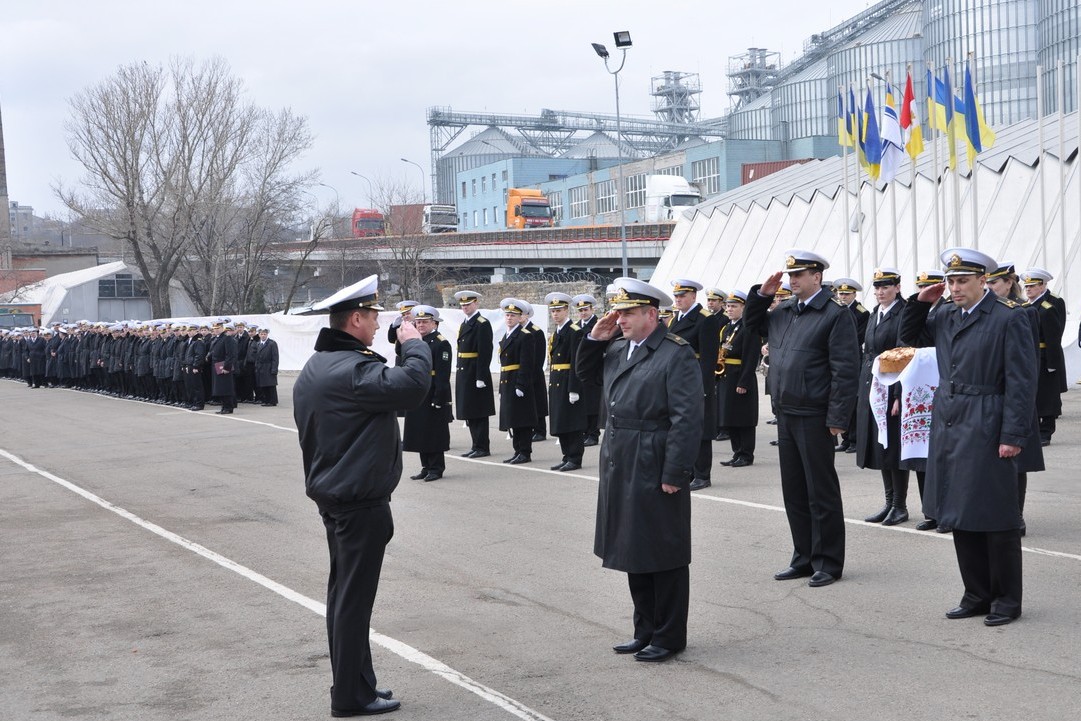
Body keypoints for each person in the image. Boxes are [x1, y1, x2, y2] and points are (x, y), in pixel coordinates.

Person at [293, 274, 431, 716]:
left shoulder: (321, 365)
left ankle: (359, 684)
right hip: (358, 502)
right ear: (355, 318)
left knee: (343, 596)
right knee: (352, 603)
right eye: (372, 316)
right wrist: (413, 343)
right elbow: (411, 386)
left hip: (337, 496)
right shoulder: (352, 369)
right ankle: (350, 697)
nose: (377, 324)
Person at [900, 248, 1035, 626]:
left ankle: (1006, 599)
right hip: (950, 419)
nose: (954, 288)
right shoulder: (945, 314)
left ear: (982, 282)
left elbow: (1022, 381)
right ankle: (976, 594)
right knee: (959, 510)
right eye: (950, 281)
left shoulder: (1009, 318)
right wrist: (917, 303)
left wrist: (1013, 434)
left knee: (995, 513)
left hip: (988, 418)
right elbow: (907, 340)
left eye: (962, 281)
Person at [576, 277, 703, 663]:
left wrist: (675, 473)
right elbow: (585, 374)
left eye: (628, 312)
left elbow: (687, 418)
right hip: (621, 456)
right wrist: (595, 338)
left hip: (654, 455)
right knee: (634, 546)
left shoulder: (675, 353)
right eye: (618, 312)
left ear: (651, 314)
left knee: (662, 550)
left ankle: (668, 635)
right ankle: (644, 629)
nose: (621, 318)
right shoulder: (617, 348)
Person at [743, 249, 859, 587]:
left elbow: (845, 370)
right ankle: (804, 557)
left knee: (820, 491)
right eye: (790, 275)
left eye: (800, 275)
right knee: (794, 490)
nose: (792, 280)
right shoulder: (784, 311)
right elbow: (752, 324)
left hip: (815, 413)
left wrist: (838, 417)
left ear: (817, 277)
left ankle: (828, 561)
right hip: (787, 410)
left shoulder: (835, 315)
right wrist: (762, 295)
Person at [856, 268, 912, 526]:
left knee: (894, 447)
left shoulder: (903, 312)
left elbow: (904, 355)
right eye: (877, 287)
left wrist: (900, 395)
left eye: (886, 286)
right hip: (873, 384)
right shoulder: (874, 314)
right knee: (881, 446)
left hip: (892, 386)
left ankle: (900, 505)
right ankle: (889, 502)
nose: (880, 291)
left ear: (897, 287)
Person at [902, 271, 950, 532]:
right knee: (925, 455)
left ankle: (948, 512)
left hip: (950, 391)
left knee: (947, 458)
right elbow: (907, 338)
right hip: (927, 392)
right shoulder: (930, 311)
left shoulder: (949, 309)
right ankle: (932, 510)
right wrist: (918, 302)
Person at [666, 279, 721, 491]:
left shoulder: (704, 319)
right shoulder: (674, 320)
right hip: (677, 378)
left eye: (682, 296)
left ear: (693, 296)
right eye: (676, 296)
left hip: (696, 379)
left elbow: (708, 358)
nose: (678, 300)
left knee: (701, 429)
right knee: (682, 428)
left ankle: (702, 474)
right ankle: (687, 471)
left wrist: (705, 388)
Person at [403, 306, 453, 482]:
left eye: (425, 322)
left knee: (433, 431)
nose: (421, 325)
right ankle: (425, 466)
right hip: (418, 391)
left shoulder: (441, 343)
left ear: (434, 323)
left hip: (432, 391)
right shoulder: (416, 342)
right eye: (418, 322)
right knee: (420, 430)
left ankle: (436, 467)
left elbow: (442, 374)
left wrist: (440, 397)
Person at [1020, 268, 1066, 446]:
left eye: (1032, 286)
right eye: (1027, 286)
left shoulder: (1047, 309)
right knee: (1034, 394)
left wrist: (1053, 364)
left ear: (1042, 287)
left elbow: (1054, 338)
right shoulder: (1026, 307)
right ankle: (1036, 430)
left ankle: (1046, 432)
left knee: (1047, 396)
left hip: (1045, 356)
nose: (1028, 289)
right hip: (1030, 355)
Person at [716, 290, 761, 468]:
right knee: (730, 417)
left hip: (740, 377)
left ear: (744, 308)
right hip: (726, 376)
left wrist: (744, 382)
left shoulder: (748, 328)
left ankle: (746, 454)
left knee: (744, 419)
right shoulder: (727, 328)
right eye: (728, 306)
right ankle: (737, 452)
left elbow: (751, 358)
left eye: (734, 306)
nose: (729, 309)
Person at [545, 292, 586, 471]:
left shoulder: (574, 332)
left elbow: (576, 362)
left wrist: (574, 388)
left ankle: (575, 457)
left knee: (572, 422)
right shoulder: (557, 333)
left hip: (568, 381)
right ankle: (566, 455)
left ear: (567, 310)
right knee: (560, 421)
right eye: (553, 311)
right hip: (556, 381)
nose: (555, 314)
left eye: (559, 310)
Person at [452, 290, 495, 458]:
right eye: (462, 305)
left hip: (475, 371)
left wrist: (481, 376)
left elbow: (485, 351)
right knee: (469, 410)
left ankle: (482, 446)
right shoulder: (465, 323)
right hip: (465, 371)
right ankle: (475, 444)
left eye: (468, 305)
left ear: (476, 303)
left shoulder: (481, 323)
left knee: (479, 411)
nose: (465, 308)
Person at [497, 298, 538, 464]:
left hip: (518, 381)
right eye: (507, 315)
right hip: (507, 380)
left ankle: (525, 452)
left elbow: (526, 363)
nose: (509, 318)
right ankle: (517, 450)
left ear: (520, 317)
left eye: (513, 315)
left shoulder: (524, 336)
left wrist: (521, 384)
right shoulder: (507, 335)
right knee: (513, 418)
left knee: (522, 419)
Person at [833, 278, 869, 453]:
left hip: (853, 359)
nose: (843, 296)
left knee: (853, 402)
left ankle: (855, 439)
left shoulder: (861, 313)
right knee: (841, 400)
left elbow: (858, 338)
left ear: (854, 294)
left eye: (847, 294)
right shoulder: (836, 310)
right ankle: (846, 439)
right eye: (841, 293)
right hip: (838, 359)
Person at [572, 294, 602, 446]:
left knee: (593, 402)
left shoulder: (599, 324)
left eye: (585, 309)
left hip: (594, 368)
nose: (583, 313)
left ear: (592, 309)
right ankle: (584, 432)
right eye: (580, 310)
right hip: (581, 368)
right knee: (582, 402)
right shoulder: (576, 326)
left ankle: (593, 433)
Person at [208, 321, 238, 414]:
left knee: (226, 387)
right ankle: (224, 406)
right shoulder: (217, 339)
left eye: (218, 328)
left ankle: (228, 407)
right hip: (216, 365)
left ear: (222, 328)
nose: (216, 330)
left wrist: (227, 367)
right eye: (214, 329)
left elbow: (230, 354)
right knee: (220, 388)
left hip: (223, 366)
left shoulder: (227, 338)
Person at [253, 327, 279, 407]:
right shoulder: (258, 343)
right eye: (261, 334)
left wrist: (274, 369)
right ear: (259, 335)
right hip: (261, 367)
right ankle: (266, 400)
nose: (263, 335)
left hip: (269, 366)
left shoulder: (272, 343)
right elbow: (257, 357)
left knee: (270, 385)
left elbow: (275, 357)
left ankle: (272, 401)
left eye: (265, 334)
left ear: (267, 334)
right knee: (263, 385)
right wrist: (256, 367)